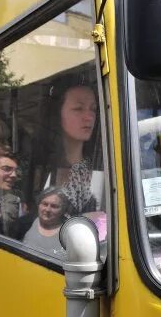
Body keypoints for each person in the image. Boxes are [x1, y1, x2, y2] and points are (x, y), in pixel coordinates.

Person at [42, 82, 103, 214]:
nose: (89, 117)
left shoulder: (101, 165)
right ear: (58, 113)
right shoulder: (42, 167)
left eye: (93, 109)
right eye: (78, 109)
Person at [22, 187, 69, 258]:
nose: (47, 209)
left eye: (54, 206)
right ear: (38, 205)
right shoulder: (26, 223)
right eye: (44, 204)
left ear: (63, 209)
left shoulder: (69, 232)